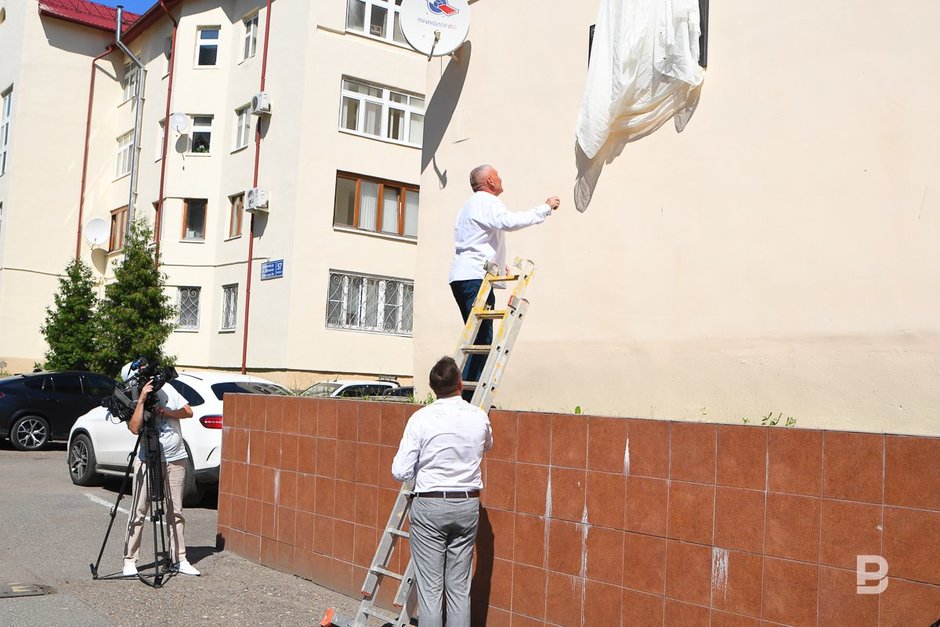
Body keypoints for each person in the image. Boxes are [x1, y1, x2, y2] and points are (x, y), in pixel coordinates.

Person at [391, 356, 494, 627]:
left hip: (430, 504)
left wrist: (425, 472)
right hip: (467, 504)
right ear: (460, 384)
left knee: (431, 591)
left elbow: (400, 471)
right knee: (459, 590)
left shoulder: (421, 419)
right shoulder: (478, 416)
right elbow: (487, 445)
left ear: (432, 387)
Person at [448, 165, 560, 398]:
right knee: (482, 340)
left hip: (463, 275)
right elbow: (509, 222)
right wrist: (545, 208)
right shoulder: (488, 202)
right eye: (497, 175)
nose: (501, 179)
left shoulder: (469, 206)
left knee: (477, 338)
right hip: (474, 278)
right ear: (490, 180)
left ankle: (465, 395)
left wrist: (497, 264)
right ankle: (468, 399)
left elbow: (476, 240)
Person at [121, 362, 200, 577]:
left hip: (176, 457)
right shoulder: (131, 395)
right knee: (139, 510)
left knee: (176, 510)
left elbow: (188, 412)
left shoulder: (167, 388)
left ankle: (179, 558)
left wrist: (165, 411)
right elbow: (134, 427)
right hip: (148, 459)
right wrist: (143, 400)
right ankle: (130, 560)